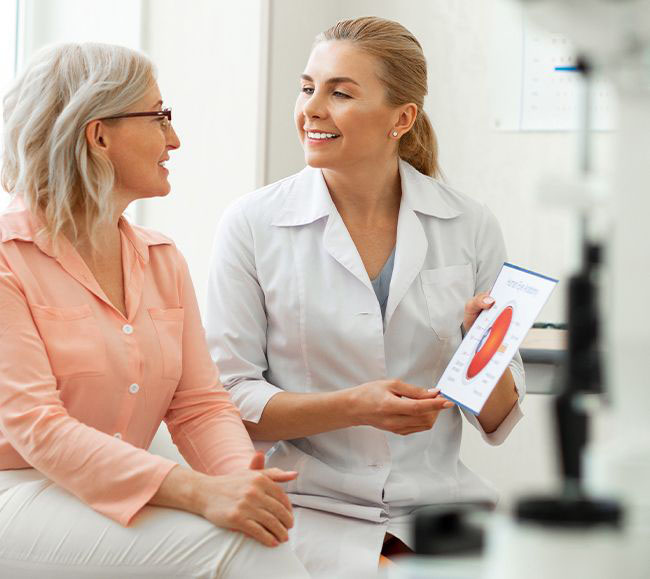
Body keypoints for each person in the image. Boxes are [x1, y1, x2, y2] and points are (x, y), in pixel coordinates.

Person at [0, 42, 310, 579]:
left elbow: (199, 406)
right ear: (98, 135)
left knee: (260, 535)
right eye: (160, 116)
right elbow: (39, 427)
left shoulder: (162, 259)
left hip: (88, 497)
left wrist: (243, 482)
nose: (174, 139)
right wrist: (199, 491)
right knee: (244, 551)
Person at [205, 16, 525, 577]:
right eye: (308, 88)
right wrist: (354, 407)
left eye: (340, 92)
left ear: (401, 118)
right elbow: (228, 400)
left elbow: (498, 419)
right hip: (307, 508)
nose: (312, 109)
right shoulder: (253, 223)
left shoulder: (468, 223)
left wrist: (484, 351)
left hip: (442, 508)